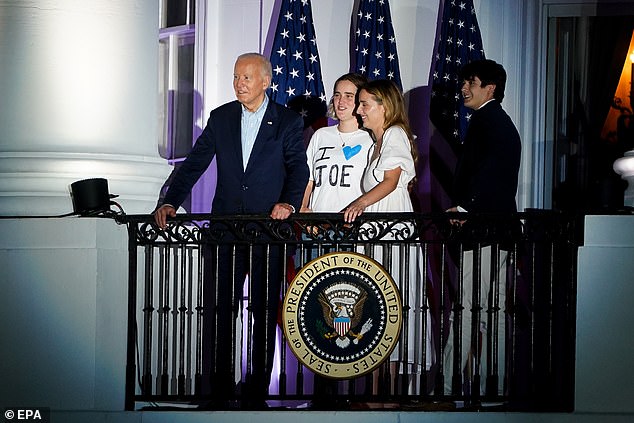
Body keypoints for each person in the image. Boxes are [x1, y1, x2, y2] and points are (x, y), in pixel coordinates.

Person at [154, 52, 309, 405]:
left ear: (266, 82)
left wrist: (289, 203)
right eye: (236, 77)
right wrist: (170, 201)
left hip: (268, 231)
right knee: (221, 308)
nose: (239, 83)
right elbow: (194, 164)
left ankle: (256, 390)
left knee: (264, 309)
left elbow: (298, 170)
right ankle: (220, 388)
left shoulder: (285, 121)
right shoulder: (221, 117)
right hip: (225, 230)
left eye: (247, 77)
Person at [343, 79, 431, 394]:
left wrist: (359, 204)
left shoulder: (394, 133)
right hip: (375, 230)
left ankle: (389, 392)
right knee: (378, 308)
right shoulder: (376, 142)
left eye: (365, 104)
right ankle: (377, 388)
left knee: (393, 303)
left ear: (385, 106)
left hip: (391, 229)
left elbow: (391, 181)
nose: (359, 110)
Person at [444, 59, 521, 397]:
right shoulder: (494, 121)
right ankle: (495, 388)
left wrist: (465, 208)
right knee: (493, 312)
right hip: (495, 231)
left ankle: (446, 390)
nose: (464, 87)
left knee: (470, 310)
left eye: (470, 82)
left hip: (485, 231)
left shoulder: (490, 121)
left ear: (490, 87)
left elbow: (491, 173)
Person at [299, 73, 372, 407]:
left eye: (349, 96)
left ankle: (349, 392)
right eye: (338, 95)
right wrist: (304, 212)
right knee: (315, 310)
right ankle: (321, 391)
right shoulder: (320, 136)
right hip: (316, 230)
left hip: (348, 233)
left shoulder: (371, 140)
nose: (341, 101)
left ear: (359, 102)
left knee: (348, 313)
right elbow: (309, 181)